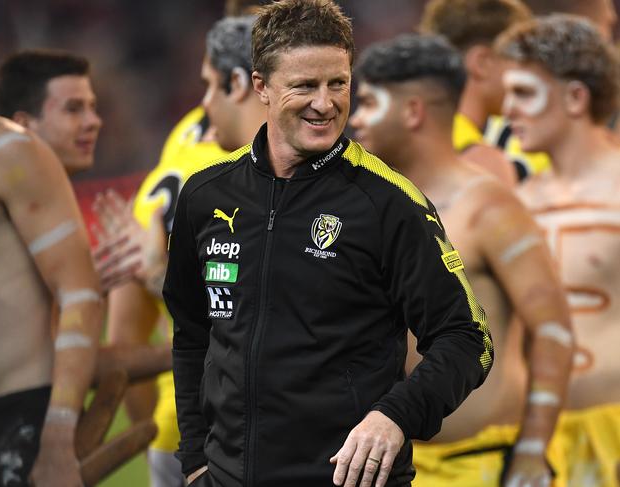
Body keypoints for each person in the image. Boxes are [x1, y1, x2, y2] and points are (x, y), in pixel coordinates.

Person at [164, 1, 494, 486]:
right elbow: (192, 334)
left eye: (338, 83)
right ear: (262, 88)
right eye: (304, 86)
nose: (326, 103)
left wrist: (396, 417)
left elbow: (469, 338)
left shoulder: (389, 202)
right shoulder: (206, 194)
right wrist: (195, 459)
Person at [350, 33, 574, 487]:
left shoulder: (490, 208)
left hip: (478, 465)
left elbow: (552, 330)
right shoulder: (367, 205)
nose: (355, 119)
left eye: (370, 103)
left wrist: (532, 450)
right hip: (383, 463)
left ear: (413, 111)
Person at [105, 14, 265, 487]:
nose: (204, 103)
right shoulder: (255, 175)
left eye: (209, 86)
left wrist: (150, 431)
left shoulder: (183, 145)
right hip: (250, 428)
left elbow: (123, 337)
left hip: (181, 425)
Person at [0, 39, 103, 486]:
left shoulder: (9, 152)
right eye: (74, 108)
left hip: (10, 421)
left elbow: (80, 296)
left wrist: (57, 439)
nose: (93, 121)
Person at [496, 14, 620, 486]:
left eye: (524, 93)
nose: (507, 110)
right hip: (536, 444)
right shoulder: (516, 205)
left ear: (574, 97)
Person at [419, 0, 549, 183]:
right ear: (482, 63)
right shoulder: (475, 160)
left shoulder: (418, 136)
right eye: (519, 57)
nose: (528, 71)